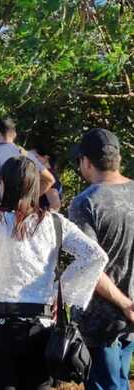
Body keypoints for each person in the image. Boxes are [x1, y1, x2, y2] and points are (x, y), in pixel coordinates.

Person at [0, 156, 109, 389]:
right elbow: (95, 255)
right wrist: (60, 291)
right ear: (35, 187)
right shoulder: (54, 223)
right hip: (41, 331)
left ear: (3, 184)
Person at [68, 128, 134, 390]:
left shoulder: (85, 202)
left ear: (86, 161)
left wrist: (124, 303)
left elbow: (89, 265)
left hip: (100, 321)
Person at [0, 117, 55, 219]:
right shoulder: (25, 154)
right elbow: (49, 180)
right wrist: (30, 199)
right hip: (24, 212)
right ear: (14, 134)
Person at [29, 145, 63, 211]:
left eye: (35, 157)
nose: (31, 160)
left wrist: (44, 220)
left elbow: (55, 205)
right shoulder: (52, 174)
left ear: (46, 158)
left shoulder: (47, 176)